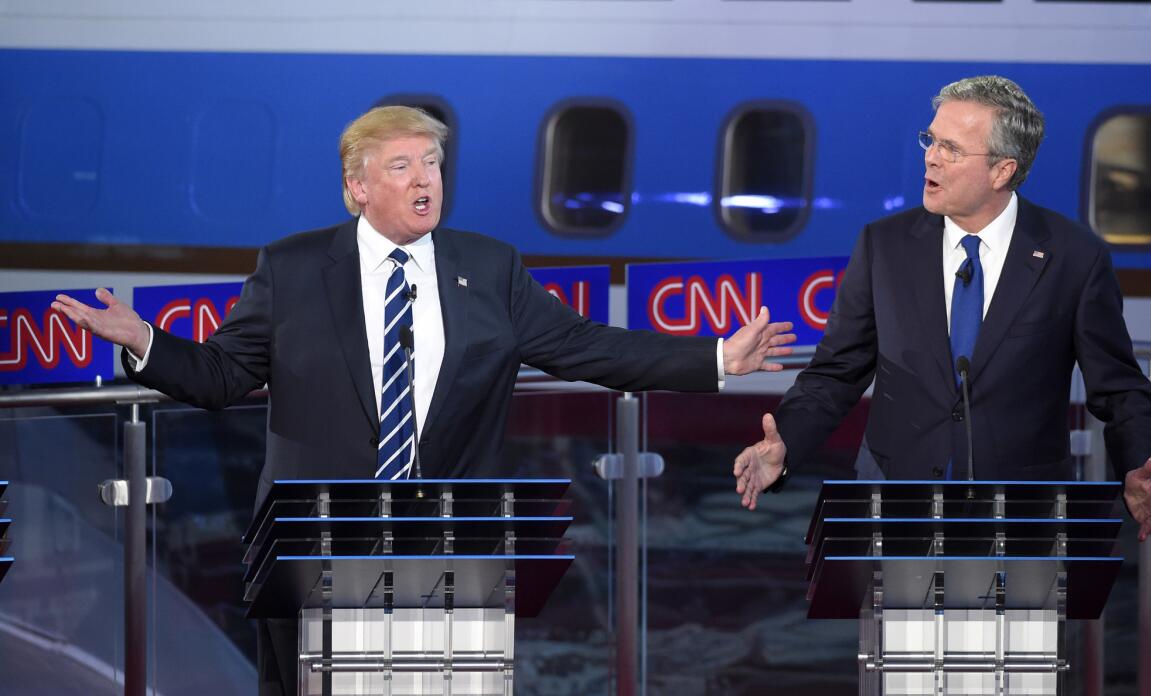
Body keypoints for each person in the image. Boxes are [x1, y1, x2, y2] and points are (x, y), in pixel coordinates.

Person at [52, 105, 795, 696]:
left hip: (450, 556)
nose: (424, 179)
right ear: (357, 186)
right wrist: (143, 340)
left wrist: (717, 358)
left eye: (433, 163)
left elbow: (586, 347)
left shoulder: (488, 267)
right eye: (402, 164)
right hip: (317, 554)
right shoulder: (294, 268)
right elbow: (217, 375)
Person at [733, 75, 1151, 543]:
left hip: (1021, 520)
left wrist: (1136, 465)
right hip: (896, 512)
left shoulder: (1074, 258)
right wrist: (786, 445)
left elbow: (1120, 388)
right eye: (931, 139)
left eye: (952, 149)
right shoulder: (885, 246)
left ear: (1002, 170)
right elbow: (835, 373)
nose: (931, 156)